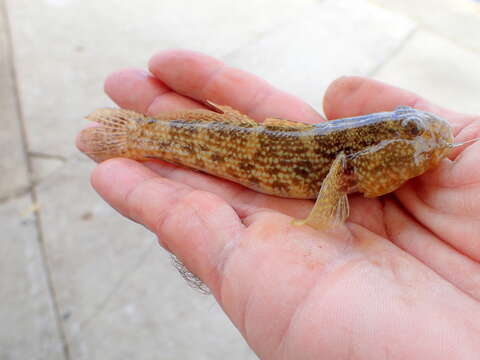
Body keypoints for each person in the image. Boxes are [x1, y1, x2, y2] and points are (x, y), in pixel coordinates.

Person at [77, 50, 480, 359]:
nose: (420, 142)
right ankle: (137, 135)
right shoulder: (345, 163)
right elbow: (329, 209)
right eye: (408, 130)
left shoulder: (353, 162)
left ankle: (140, 135)